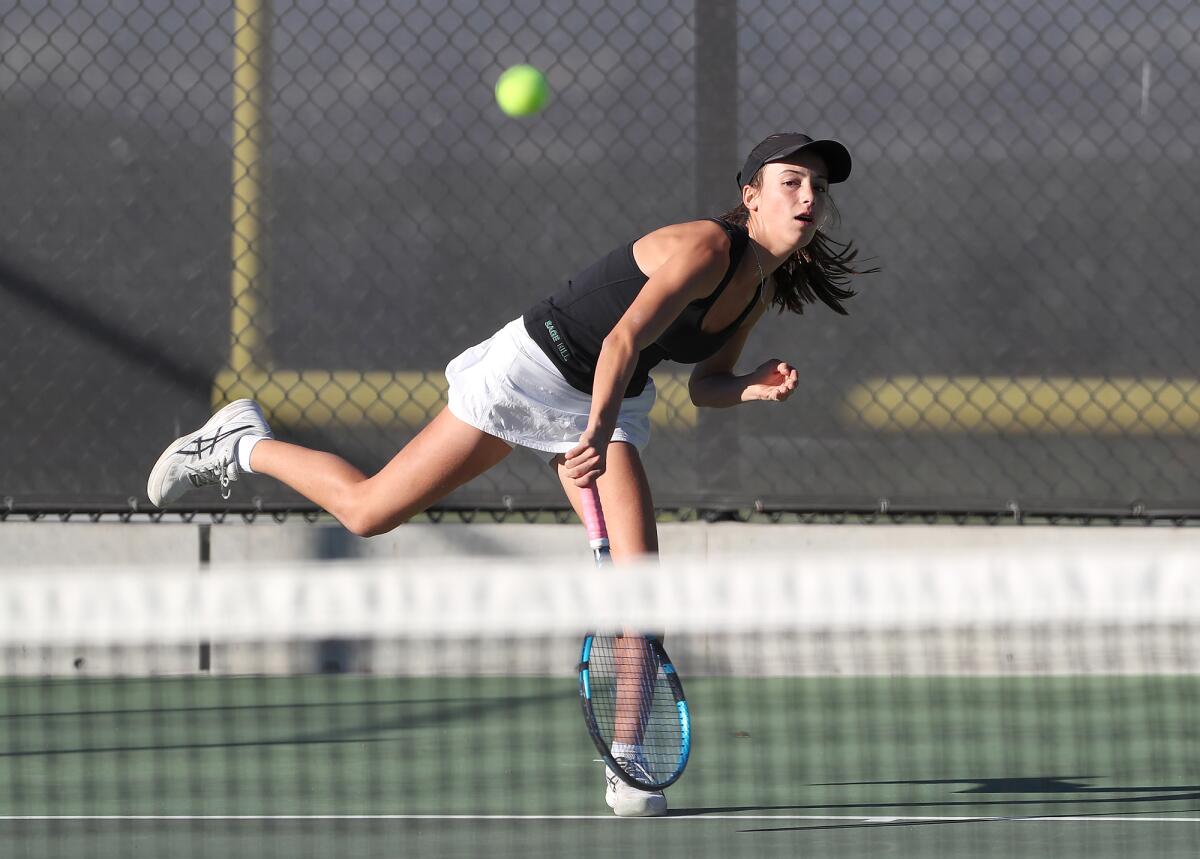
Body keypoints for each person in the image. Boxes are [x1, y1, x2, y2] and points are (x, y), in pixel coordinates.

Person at [147, 131, 874, 816]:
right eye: (790, 182)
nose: (807, 197)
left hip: (609, 395)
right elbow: (623, 334)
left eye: (816, 187)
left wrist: (752, 383)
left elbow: (702, 384)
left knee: (640, 583)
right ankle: (240, 444)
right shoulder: (707, 247)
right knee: (369, 511)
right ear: (751, 195)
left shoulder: (754, 288)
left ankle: (627, 763)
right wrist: (586, 434)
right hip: (536, 369)